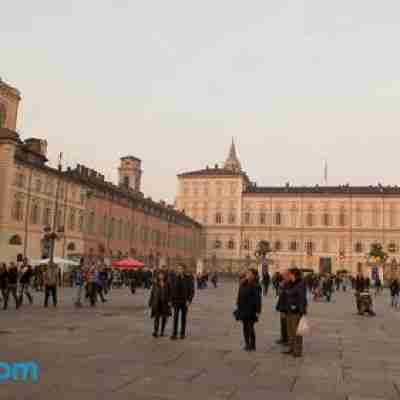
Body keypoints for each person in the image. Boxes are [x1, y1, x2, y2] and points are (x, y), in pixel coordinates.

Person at [283, 268, 307, 358]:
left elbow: (302, 298)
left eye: (289, 274)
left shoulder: (300, 284)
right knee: (290, 331)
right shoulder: (289, 283)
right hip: (289, 310)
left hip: (296, 311)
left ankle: (297, 350)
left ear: (293, 274)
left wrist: (301, 311)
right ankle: (291, 348)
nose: (287, 275)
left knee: (297, 332)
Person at [236, 268, 262, 351]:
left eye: (249, 273)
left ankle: (252, 344)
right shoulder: (244, 283)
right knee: (245, 327)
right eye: (247, 273)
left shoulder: (256, 285)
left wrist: (258, 311)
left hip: (251, 309)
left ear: (253, 275)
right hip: (243, 308)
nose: (247, 274)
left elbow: (258, 299)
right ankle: (247, 343)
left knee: (250, 327)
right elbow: (240, 294)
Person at [170, 265, 195, 340]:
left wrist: (189, 300)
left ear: (184, 270)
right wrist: (171, 300)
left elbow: (191, 290)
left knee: (183, 318)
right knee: (175, 317)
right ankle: (174, 334)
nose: (179, 270)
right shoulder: (174, 278)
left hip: (184, 301)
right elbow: (171, 289)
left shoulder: (188, 278)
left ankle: (182, 333)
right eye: (178, 269)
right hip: (176, 301)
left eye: (180, 269)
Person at [149, 271, 171, 337]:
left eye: (162, 275)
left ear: (164, 276)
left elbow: (170, 293)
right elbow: (152, 293)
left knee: (164, 318)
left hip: (165, 303)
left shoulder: (167, 283)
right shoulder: (155, 283)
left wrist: (170, 301)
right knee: (156, 317)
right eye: (160, 275)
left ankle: (162, 331)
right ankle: (155, 331)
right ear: (158, 276)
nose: (161, 276)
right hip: (157, 302)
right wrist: (150, 301)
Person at [275, 270, 290, 346]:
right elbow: (281, 295)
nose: (283, 276)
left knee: (286, 324)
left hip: (286, 308)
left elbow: (287, 297)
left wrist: (284, 309)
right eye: (283, 275)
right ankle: (283, 338)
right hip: (282, 307)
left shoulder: (289, 284)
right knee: (282, 324)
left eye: (284, 275)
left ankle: (286, 339)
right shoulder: (283, 283)